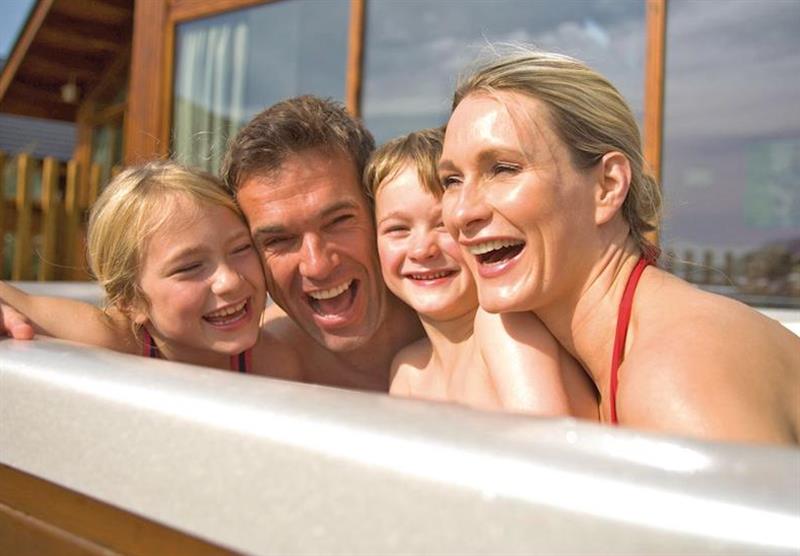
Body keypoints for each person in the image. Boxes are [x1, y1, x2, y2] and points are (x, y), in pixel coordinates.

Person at [438, 49, 800, 444]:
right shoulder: (599, 349)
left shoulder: (672, 372)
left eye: (504, 169)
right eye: (452, 180)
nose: (460, 212)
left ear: (608, 186)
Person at [366, 127, 598, 417]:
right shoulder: (409, 370)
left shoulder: (503, 326)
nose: (422, 250)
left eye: (442, 225)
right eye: (398, 230)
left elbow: (546, 451)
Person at [0, 161, 301, 378]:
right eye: (191, 266)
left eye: (241, 248)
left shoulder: (275, 360)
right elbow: (18, 302)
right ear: (130, 300)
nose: (229, 281)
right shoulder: (115, 338)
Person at [222, 95, 423, 391]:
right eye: (279, 240)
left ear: (377, 208)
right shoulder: (254, 368)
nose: (317, 266)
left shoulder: (474, 331)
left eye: (337, 222)